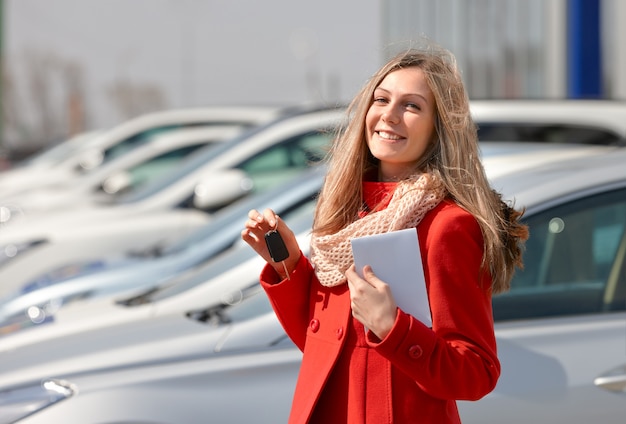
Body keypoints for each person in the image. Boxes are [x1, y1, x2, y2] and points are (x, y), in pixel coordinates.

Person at [242, 44, 528, 424]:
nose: (389, 115)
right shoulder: (345, 212)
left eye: (412, 106)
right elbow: (323, 349)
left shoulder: (447, 225)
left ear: (439, 127)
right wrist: (289, 264)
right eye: (382, 99)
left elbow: (476, 373)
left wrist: (392, 327)